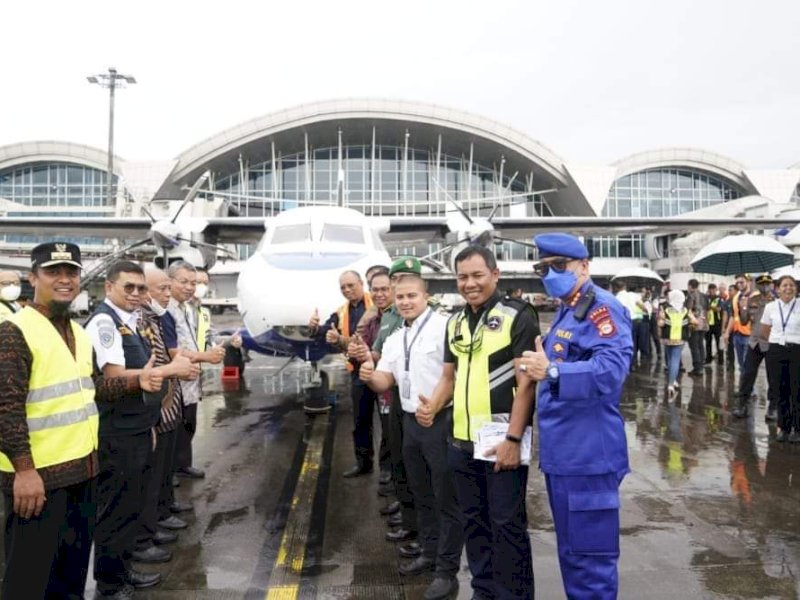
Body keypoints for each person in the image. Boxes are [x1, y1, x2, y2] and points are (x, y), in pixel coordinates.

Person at [0, 243, 142, 599]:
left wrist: (139, 380)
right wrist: (25, 471)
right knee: (29, 581)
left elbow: (91, 388)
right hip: (39, 483)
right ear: (34, 278)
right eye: (53, 273)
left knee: (70, 580)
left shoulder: (78, 333)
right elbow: (6, 407)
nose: (64, 280)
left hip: (83, 475)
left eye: (72, 273)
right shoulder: (14, 331)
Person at [420, 245, 538, 599]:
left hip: (501, 441)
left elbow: (526, 384)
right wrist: (432, 407)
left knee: (507, 526)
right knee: (475, 523)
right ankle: (484, 591)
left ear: (495, 275)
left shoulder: (518, 315)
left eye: (477, 275)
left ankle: (514, 595)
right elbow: (449, 379)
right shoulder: (455, 321)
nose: (469, 284)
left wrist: (514, 440)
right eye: (462, 277)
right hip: (461, 442)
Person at [518, 233, 632, 599]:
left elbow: (611, 371)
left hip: (587, 459)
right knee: (573, 556)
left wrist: (551, 371)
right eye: (543, 268)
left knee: (589, 563)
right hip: (564, 458)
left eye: (559, 266)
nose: (550, 274)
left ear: (584, 266)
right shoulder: (569, 308)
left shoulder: (602, 308)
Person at [85, 261, 195, 598]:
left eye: (140, 288)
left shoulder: (128, 323)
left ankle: (123, 570)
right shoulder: (105, 322)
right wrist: (170, 369)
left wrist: (148, 424)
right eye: (128, 287)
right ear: (108, 287)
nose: (136, 294)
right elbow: (114, 378)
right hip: (116, 433)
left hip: (136, 428)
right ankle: (110, 584)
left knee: (131, 504)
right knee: (115, 510)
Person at [359, 274, 464, 600]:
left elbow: (458, 376)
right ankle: (430, 554)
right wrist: (367, 373)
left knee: (446, 497)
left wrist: (436, 404)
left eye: (411, 296)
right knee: (422, 493)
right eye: (400, 296)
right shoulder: (395, 337)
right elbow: (384, 380)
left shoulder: (445, 326)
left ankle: (448, 572)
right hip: (409, 421)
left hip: (440, 420)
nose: (404, 302)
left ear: (426, 297)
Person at [133, 268, 200, 562]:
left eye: (165, 288)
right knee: (150, 472)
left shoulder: (157, 317)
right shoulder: (138, 320)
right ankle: (147, 531)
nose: (166, 293)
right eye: (160, 288)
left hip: (168, 401)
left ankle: (161, 512)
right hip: (153, 405)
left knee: (162, 469)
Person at [309, 270, 376, 477]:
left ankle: (391, 475)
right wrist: (314, 328)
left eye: (351, 285)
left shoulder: (378, 303)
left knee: (391, 427)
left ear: (361, 283)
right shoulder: (342, 311)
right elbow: (327, 330)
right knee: (360, 421)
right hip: (358, 371)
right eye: (343, 287)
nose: (347, 290)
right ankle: (364, 463)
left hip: (383, 368)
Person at [167, 261, 225, 482]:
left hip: (191, 376)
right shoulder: (166, 310)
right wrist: (204, 357)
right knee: (173, 426)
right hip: (175, 378)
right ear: (170, 281)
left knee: (188, 423)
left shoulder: (188, 309)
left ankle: (183, 464)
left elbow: (199, 337)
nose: (190, 287)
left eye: (193, 283)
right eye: (184, 282)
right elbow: (171, 350)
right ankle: (170, 471)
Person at [759, 275, 800, 442]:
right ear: (777, 288)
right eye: (784, 285)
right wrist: (778, 340)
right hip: (776, 350)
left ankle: (797, 429)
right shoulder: (771, 307)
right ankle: (784, 427)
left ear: (796, 289)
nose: (788, 288)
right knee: (780, 390)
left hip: (797, 349)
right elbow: (765, 329)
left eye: (791, 285)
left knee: (797, 390)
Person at [732, 274, 775, 419]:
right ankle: (742, 405)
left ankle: (772, 407)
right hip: (754, 342)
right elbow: (744, 321)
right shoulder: (752, 300)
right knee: (747, 374)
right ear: (757, 285)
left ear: (772, 285)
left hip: (771, 343)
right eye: (761, 284)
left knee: (773, 376)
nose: (764, 286)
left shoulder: (776, 302)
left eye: (767, 284)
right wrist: (743, 307)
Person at [658, 290, 696, 399]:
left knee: (670, 360)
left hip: (667, 338)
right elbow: (695, 322)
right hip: (679, 339)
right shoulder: (685, 310)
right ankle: (671, 384)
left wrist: (661, 319)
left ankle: (673, 380)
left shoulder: (665, 308)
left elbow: (660, 323)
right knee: (675, 360)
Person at [724, 274, 752, 370]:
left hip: (749, 335)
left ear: (748, 282)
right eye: (737, 283)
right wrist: (727, 332)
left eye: (742, 282)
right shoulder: (736, 298)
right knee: (741, 365)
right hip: (737, 334)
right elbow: (733, 316)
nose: (739, 284)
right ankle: (745, 384)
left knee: (747, 363)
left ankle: (748, 385)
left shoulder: (754, 296)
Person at [686, 279, 708, 375]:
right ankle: (701, 366)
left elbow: (688, 310)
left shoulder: (691, 296)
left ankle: (697, 368)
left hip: (694, 324)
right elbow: (707, 308)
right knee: (700, 344)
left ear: (690, 286)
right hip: (704, 323)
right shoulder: (704, 295)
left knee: (694, 346)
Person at [705, 283, 723, 363]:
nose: (712, 291)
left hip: (717, 324)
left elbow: (719, 309)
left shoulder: (719, 299)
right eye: (710, 289)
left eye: (713, 289)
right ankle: (708, 358)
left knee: (718, 342)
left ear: (716, 290)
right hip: (708, 323)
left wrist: (710, 307)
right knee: (707, 342)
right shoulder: (706, 298)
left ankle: (720, 360)